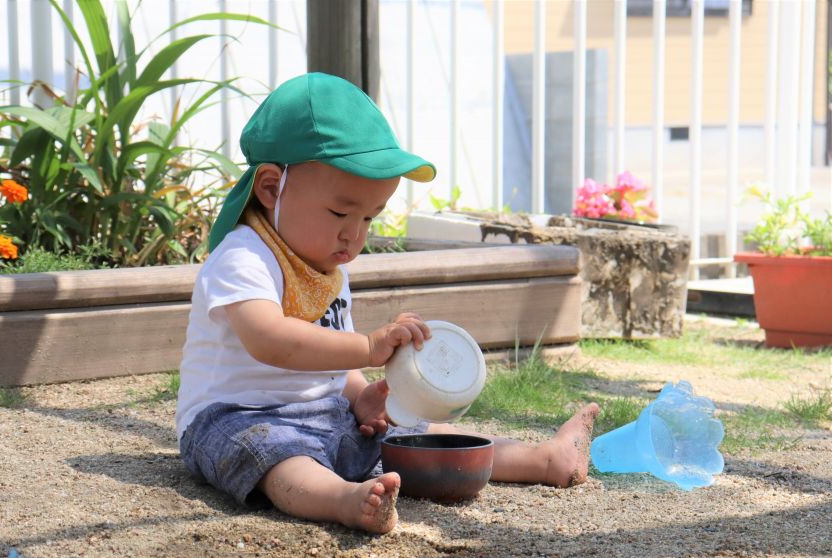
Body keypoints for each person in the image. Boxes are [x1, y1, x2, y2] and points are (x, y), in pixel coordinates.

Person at [176, 73, 599, 534]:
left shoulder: (328, 268)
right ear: (272, 188)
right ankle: (345, 500)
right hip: (238, 418)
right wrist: (368, 347)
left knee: (417, 438)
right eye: (340, 213)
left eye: (369, 218)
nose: (353, 234)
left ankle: (544, 460)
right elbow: (271, 341)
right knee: (280, 457)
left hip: (326, 416)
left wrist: (363, 396)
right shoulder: (243, 256)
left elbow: (335, 363)